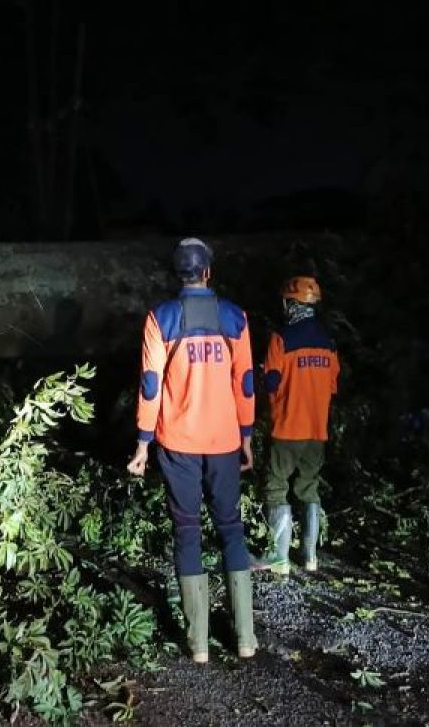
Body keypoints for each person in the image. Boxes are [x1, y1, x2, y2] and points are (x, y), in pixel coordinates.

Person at [127, 237, 258, 660]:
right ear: (208, 272)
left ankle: (198, 644)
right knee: (231, 530)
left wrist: (143, 444)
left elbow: (150, 385)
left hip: (177, 444)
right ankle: (245, 639)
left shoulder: (160, 318)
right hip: (224, 441)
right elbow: (246, 383)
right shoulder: (235, 317)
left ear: (178, 274)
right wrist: (248, 436)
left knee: (187, 533)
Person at [253, 276, 339, 575]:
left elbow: (271, 381)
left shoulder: (282, 339)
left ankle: (279, 557)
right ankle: (310, 556)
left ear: (292, 303)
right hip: (317, 430)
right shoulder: (329, 343)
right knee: (309, 488)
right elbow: (332, 386)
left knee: (277, 488)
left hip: (288, 428)